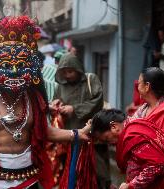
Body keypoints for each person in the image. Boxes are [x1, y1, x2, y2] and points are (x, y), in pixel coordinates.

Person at [0, 15, 90, 189]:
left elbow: (44, 131)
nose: (13, 71)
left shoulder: (34, 100)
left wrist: (77, 134)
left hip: (29, 181)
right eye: (5, 65)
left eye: (21, 65)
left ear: (33, 67)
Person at [90, 67, 164, 189]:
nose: (136, 85)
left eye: (139, 82)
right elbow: (129, 129)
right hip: (148, 179)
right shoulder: (143, 109)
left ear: (147, 86)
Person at [50, 53, 111, 189]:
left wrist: (74, 109)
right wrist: (56, 104)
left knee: (99, 172)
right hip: (70, 137)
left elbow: (97, 102)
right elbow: (55, 105)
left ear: (78, 69)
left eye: (70, 71)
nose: (67, 75)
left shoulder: (91, 79)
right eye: (64, 72)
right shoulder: (60, 86)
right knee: (72, 173)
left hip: (92, 136)